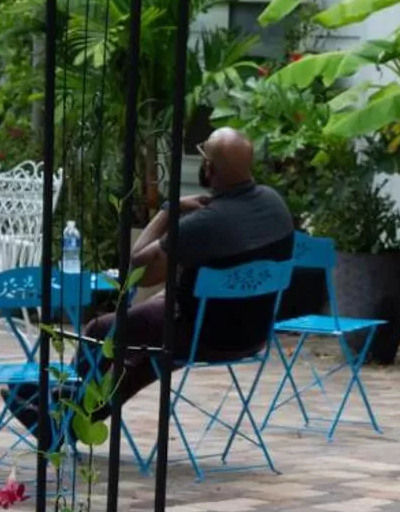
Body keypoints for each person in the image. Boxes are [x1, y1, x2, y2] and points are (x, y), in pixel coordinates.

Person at [67, 126, 295, 421]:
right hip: (254, 336)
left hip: (203, 337)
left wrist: (168, 210)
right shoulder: (274, 203)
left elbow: (139, 268)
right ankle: (78, 418)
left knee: (99, 330)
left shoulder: (203, 224)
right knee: (145, 359)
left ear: (209, 168)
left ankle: (62, 411)